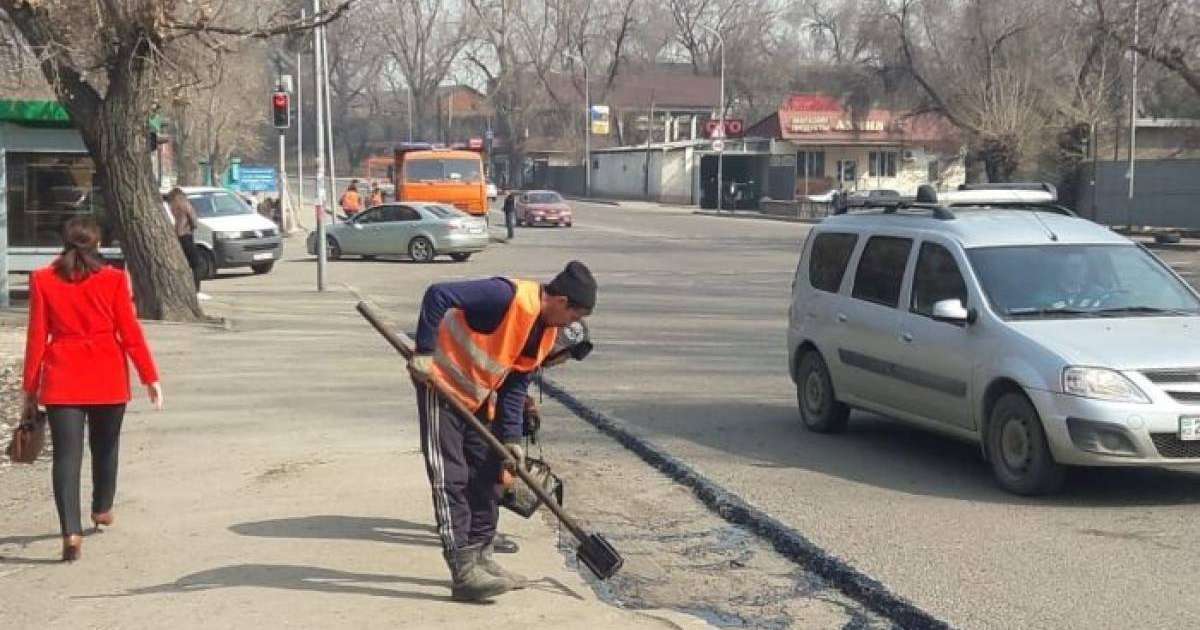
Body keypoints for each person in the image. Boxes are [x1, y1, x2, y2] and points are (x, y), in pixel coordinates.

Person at [408, 261, 596, 602]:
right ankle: (463, 569)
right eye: (574, 315)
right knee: (451, 476)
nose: (572, 324)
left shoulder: (546, 331)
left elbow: (515, 385)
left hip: (477, 395)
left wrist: (511, 439)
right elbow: (438, 294)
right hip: (441, 384)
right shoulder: (505, 296)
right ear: (561, 301)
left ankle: (483, 555)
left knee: (490, 473)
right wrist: (423, 351)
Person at [22, 216, 164, 563]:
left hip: (62, 378)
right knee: (105, 446)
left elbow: (37, 338)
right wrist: (150, 377)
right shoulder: (114, 280)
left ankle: (70, 532)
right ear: (97, 244)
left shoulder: (42, 280)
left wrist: (29, 388)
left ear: (65, 242)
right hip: (107, 375)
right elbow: (129, 332)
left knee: (66, 458)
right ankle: (101, 508)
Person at [166, 187, 208, 301]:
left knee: (185, 263)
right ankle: (195, 290)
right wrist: (193, 227)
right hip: (186, 235)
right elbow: (193, 219)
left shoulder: (171, 206)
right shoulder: (184, 203)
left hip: (176, 236)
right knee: (198, 264)